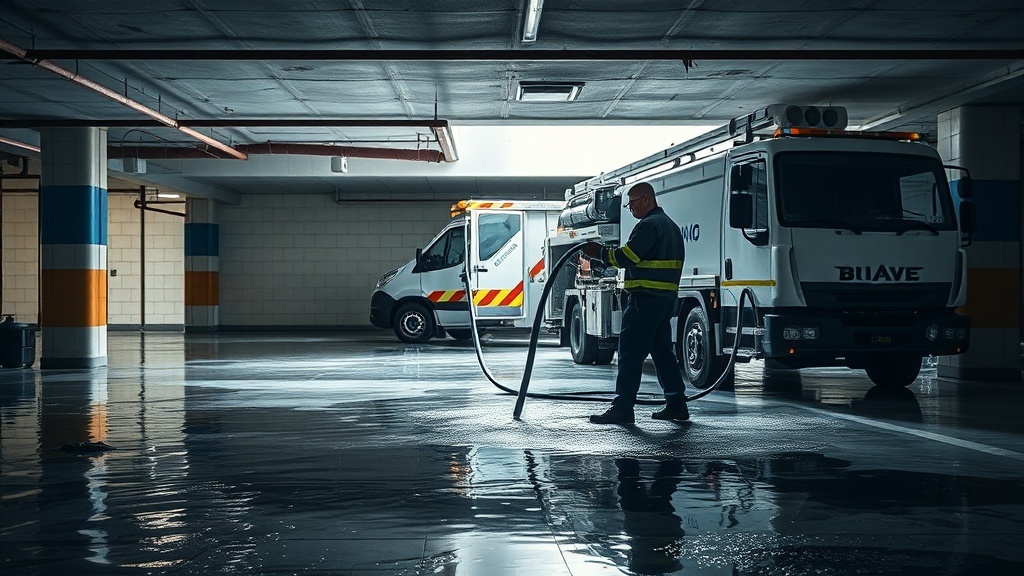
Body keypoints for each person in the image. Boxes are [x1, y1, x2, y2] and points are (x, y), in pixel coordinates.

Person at [582, 181, 689, 425]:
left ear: (645, 199)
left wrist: (598, 253)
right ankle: (676, 404)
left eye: (631, 204)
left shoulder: (649, 226)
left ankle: (623, 408)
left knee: (629, 353)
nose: (630, 209)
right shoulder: (670, 226)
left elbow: (627, 257)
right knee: (663, 353)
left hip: (645, 299)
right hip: (663, 300)